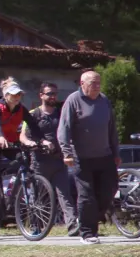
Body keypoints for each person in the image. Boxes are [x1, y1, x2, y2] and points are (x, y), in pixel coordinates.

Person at [58, 70, 120, 245]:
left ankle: (89, 218)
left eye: (99, 82)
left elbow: (111, 128)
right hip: (82, 158)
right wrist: (66, 153)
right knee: (87, 196)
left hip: (105, 155)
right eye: (93, 83)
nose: (97, 86)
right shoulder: (73, 100)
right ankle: (87, 232)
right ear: (82, 84)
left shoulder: (104, 100)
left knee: (110, 190)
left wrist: (116, 152)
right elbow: (64, 128)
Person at [0, 81, 39, 233]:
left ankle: (12, 194)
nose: (16, 97)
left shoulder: (21, 109)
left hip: (9, 143)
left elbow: (33, 125)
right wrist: (0, 136)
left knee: (24, 162)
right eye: (13, 94)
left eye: (19, 94)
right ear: (6, 96)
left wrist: (42, 140)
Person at [25, 82, 78, 237]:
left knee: (64, 194)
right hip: (39, 161)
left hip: (58, 161)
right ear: (41, 95)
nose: (52, 96)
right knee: (38, 196)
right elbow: (25, 136)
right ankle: (36, 226)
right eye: (49, 93)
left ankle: (72, 225)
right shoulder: (33, 114)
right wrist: (39, 143)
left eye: (54, 93)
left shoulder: (60, 113)